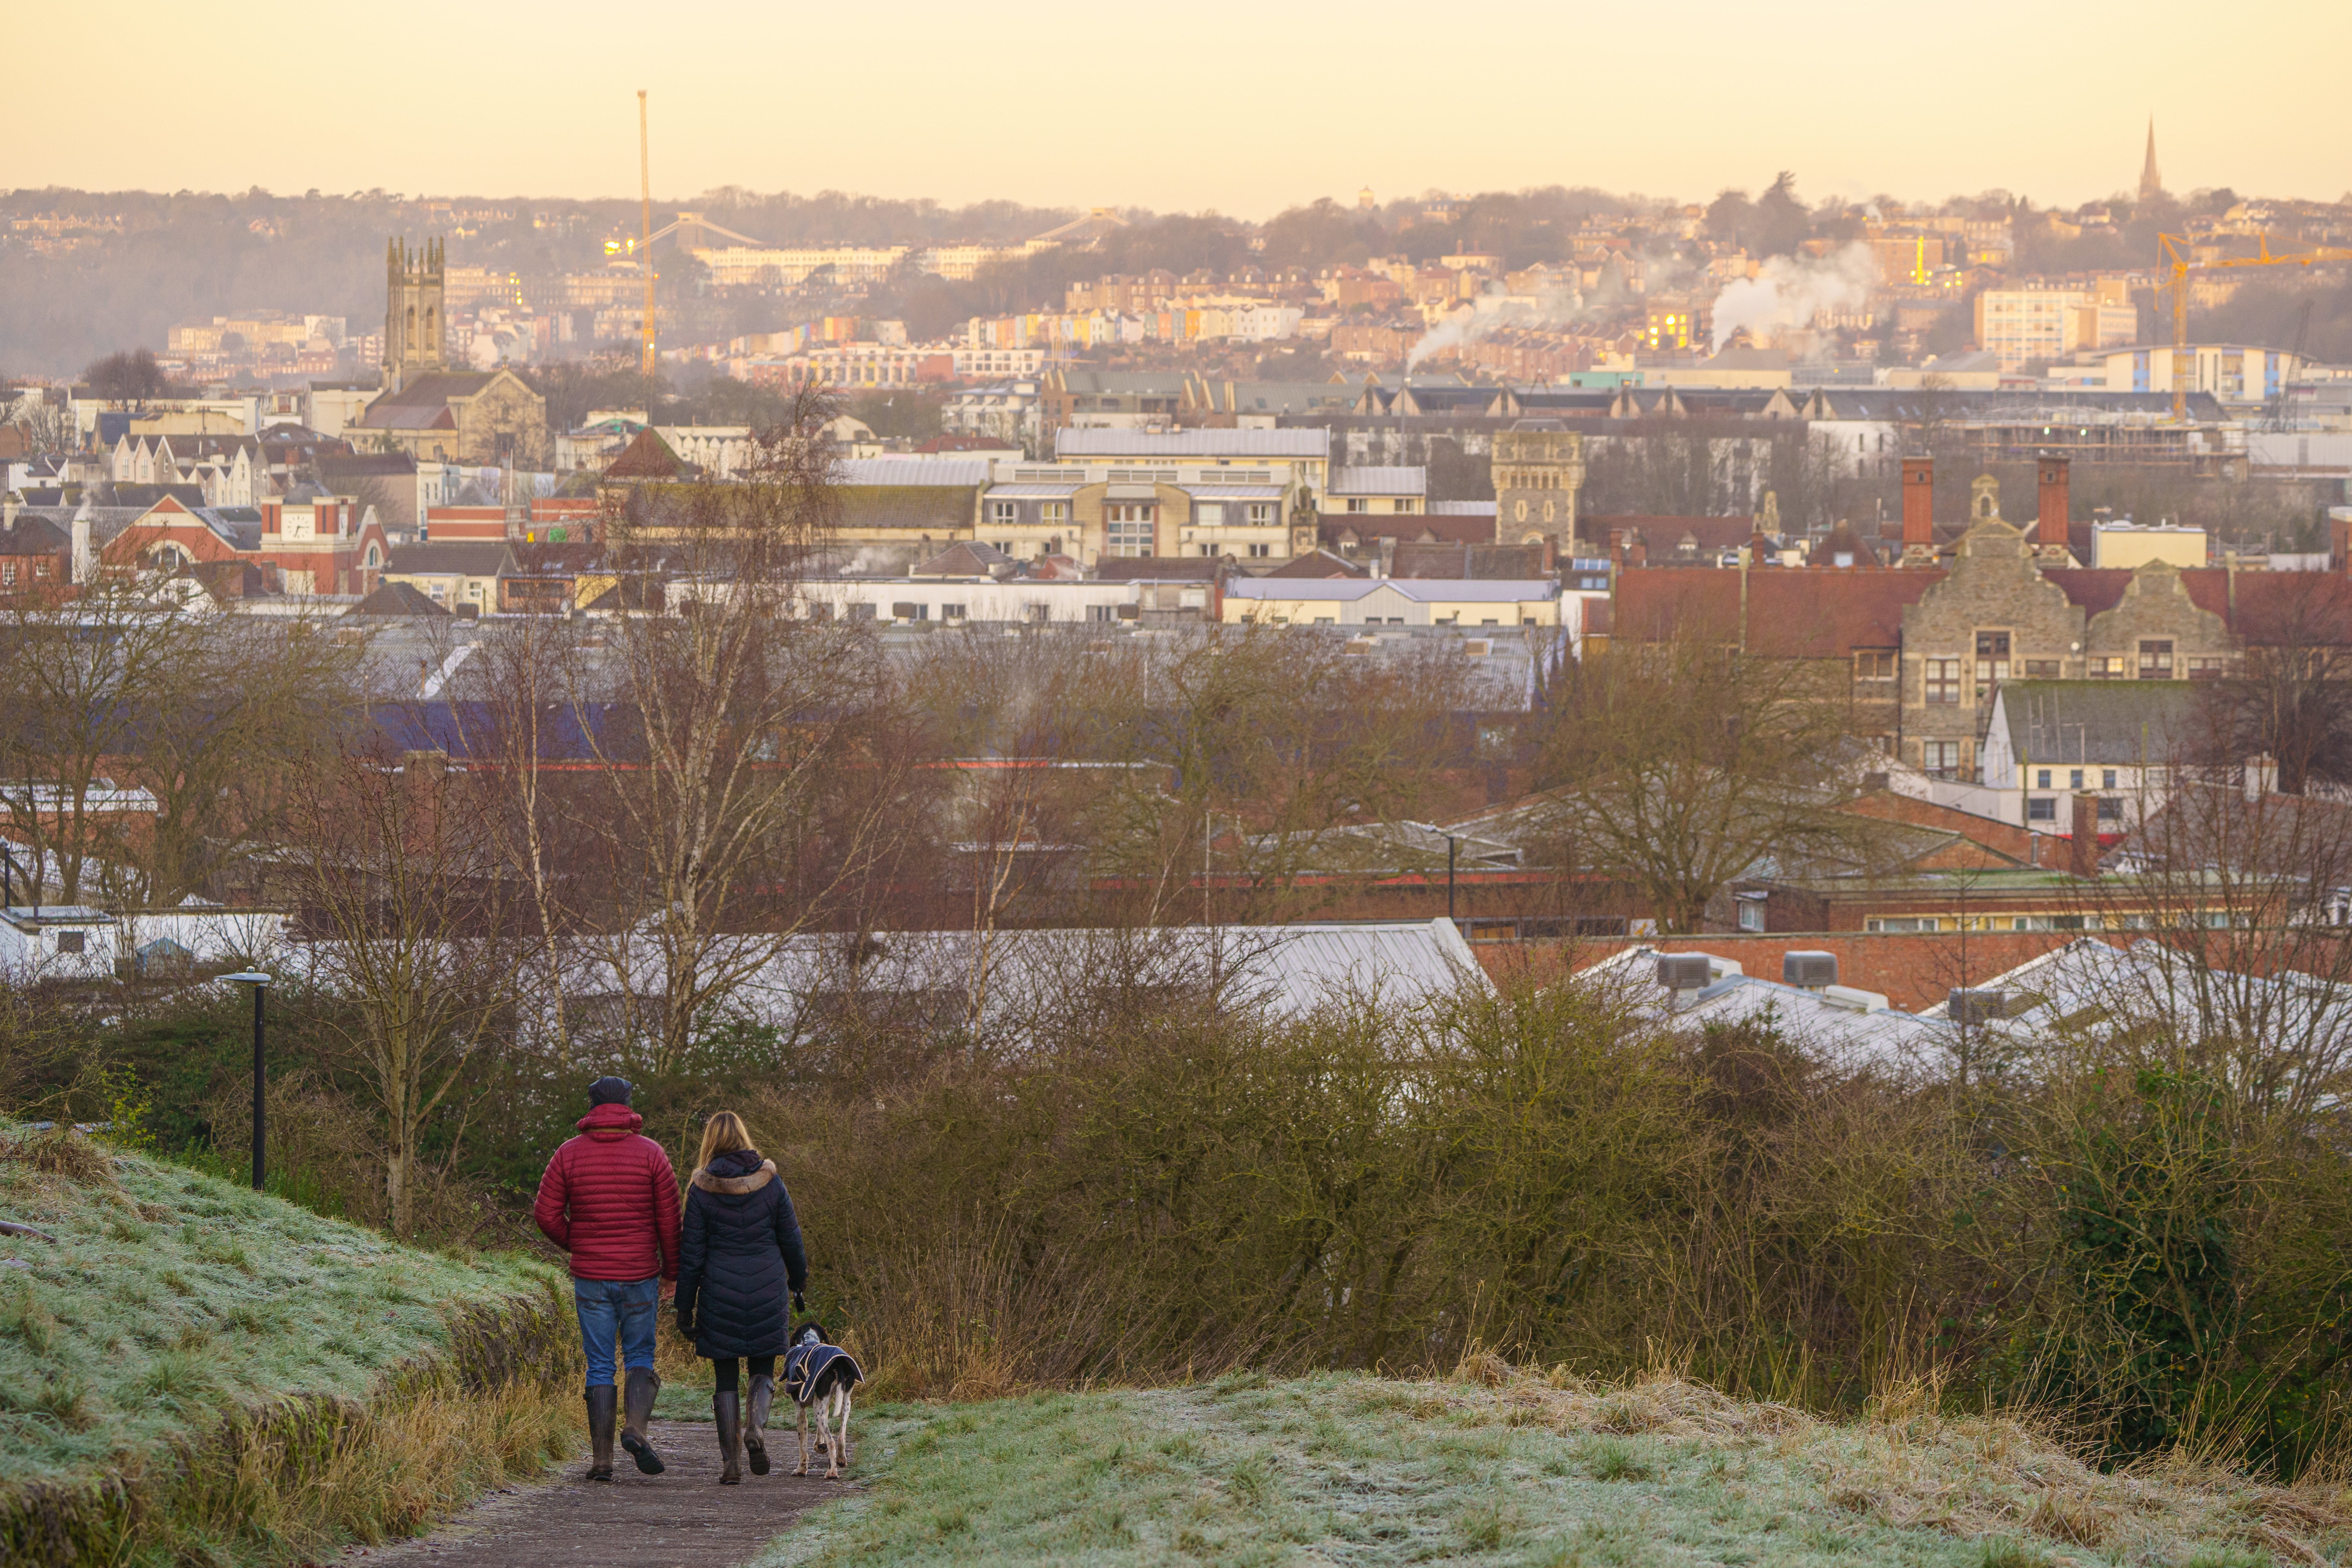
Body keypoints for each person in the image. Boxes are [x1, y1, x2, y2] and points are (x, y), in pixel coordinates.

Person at [533, 1076, 682, 1481]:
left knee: (599, 1362)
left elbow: (545, 1213)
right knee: (639, 1356)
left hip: (591, 1276)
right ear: (628, 1104)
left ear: (592, 1104)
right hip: (639, 1274)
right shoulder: (652, 1153)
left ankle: (601, 1461)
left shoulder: (568, 1154)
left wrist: (579, 1243)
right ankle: (635, 1427)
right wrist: (672, 1273)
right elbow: (671, 1222)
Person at [674, 1110, 808, 1485]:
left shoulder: (701, 1188)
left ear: (711, 1142)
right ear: (744, 1137)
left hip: (719, 1289)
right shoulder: (771, 1181)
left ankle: (731, 1463)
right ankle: (756, 1430)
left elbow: (692, 1254)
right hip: (767, 1286)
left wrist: (684, 1307)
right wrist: (798, 1281)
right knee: (762, 1366)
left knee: (725, 1375)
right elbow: (791, 1238)